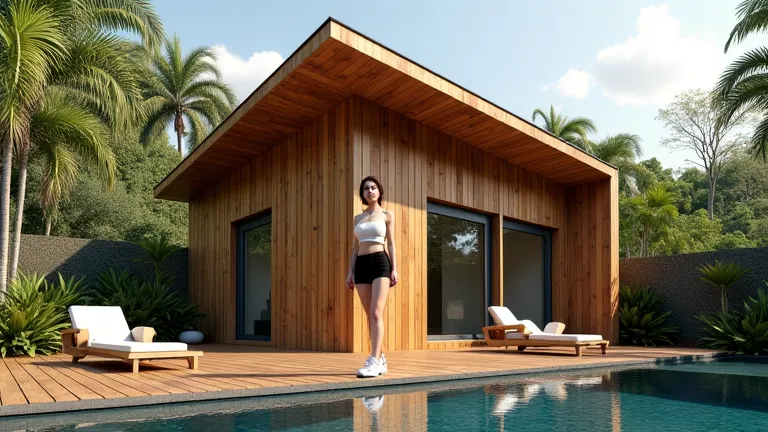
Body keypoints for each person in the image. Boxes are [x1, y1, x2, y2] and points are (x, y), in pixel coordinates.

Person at [346, 176, 398, 378]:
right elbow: (354, 248)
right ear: (363, 194)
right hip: (361, 264)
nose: (370, 191)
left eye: (373, 187)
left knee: (376, 313)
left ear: (379, 191)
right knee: (370, 315)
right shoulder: (357, 219)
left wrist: (395, 268)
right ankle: (380, 356)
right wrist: (350, 271)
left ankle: (374, 361)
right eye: (366, 188)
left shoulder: (387, 215)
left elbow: (391, 243)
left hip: (380, 263)